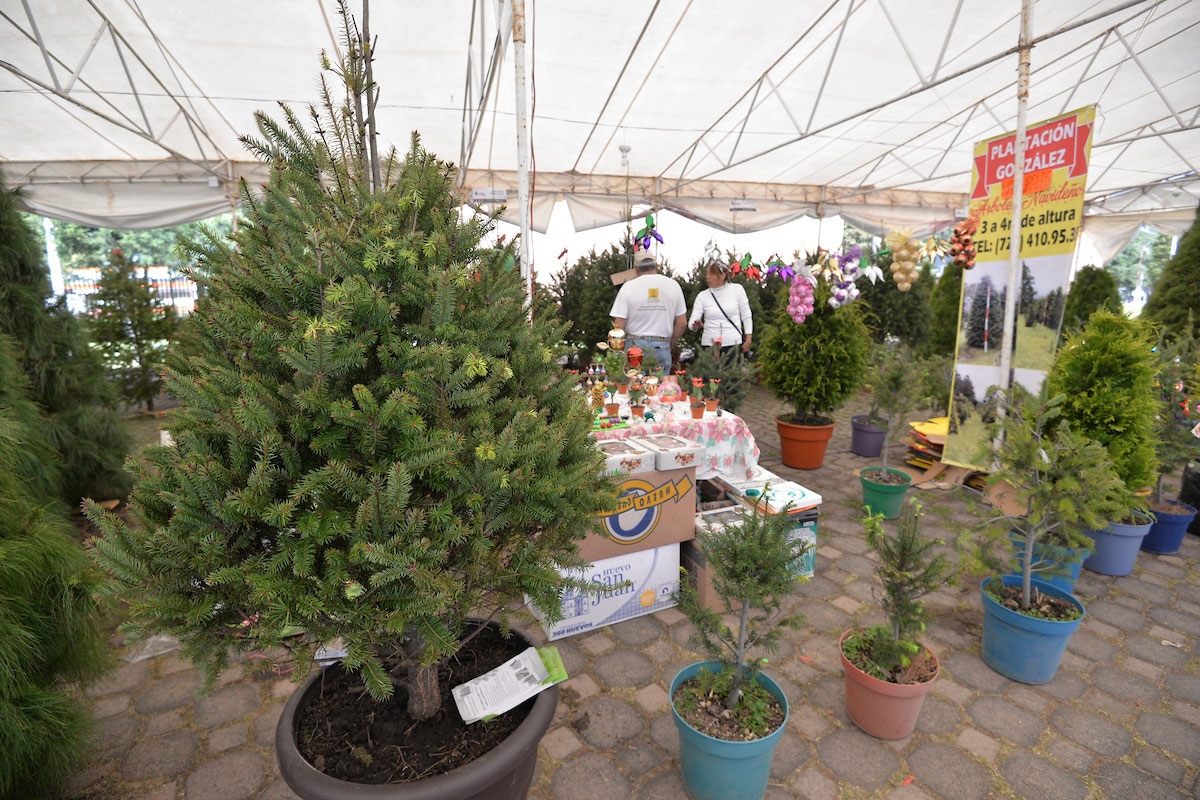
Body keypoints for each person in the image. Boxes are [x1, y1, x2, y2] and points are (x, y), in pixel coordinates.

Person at [610, 253, 686, 370]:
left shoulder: (628, 287)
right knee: (660, 387)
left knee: (634, 386)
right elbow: (682, 323)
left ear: (636, 269)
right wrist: (670, 344)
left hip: (634, 347)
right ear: (657, 266)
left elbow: (619, 324)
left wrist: (619, 349)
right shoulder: (673, 286)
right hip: (661, 346)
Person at [689, 260, 752, 355]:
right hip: (709, 346)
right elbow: (692, 321)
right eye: (707, 273)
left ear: (723, 276)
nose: (707, 277)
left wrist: (748, 338)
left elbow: (746, 315)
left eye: (711, 274)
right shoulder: (702, 296)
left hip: (733, 344)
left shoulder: (737, 290)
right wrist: (694, 326)